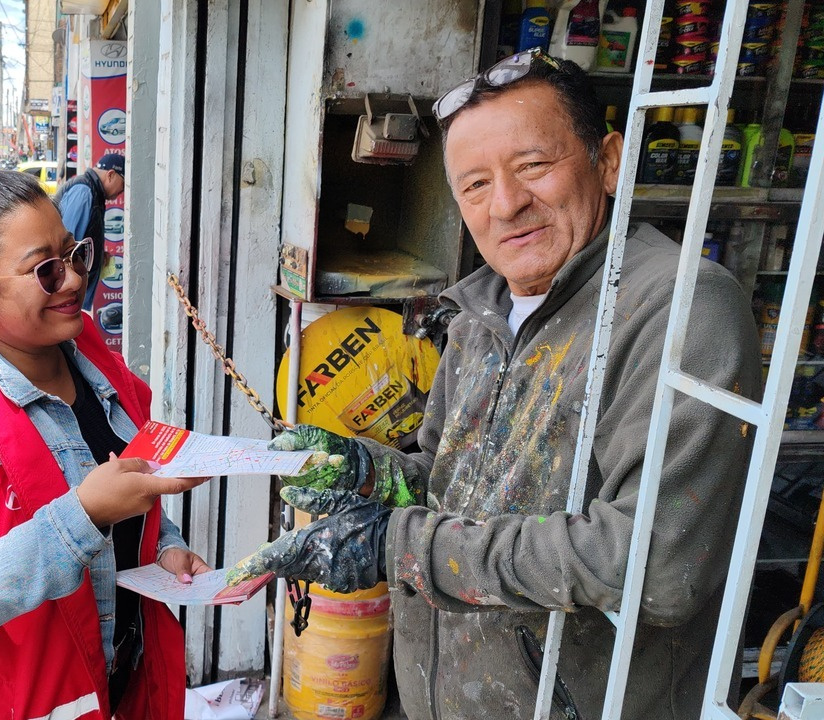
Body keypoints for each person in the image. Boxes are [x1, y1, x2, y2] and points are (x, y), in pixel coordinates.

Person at [229, 50, 761, 720]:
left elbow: (658, 566)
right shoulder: (480, 312)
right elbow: (449, 482)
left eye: (533, 165)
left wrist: (400, 546)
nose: (506, 204)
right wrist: (372, 473)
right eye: (476, 185)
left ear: (609, 160)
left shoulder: (680, 306)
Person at [0, 171, 210, 719]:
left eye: (74, 253)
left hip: (116, 684)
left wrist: (163, 546)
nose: (72, 279)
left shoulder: (92, 357)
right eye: (45, 269)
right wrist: (84, 515)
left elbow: (127, 483)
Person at [56, 152, 125, 310]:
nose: (122, 191)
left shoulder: (92, 192)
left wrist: (98, 254)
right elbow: (66, 246)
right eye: (123, 184)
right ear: (111, 175)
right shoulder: (84, 192)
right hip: (69, 293)